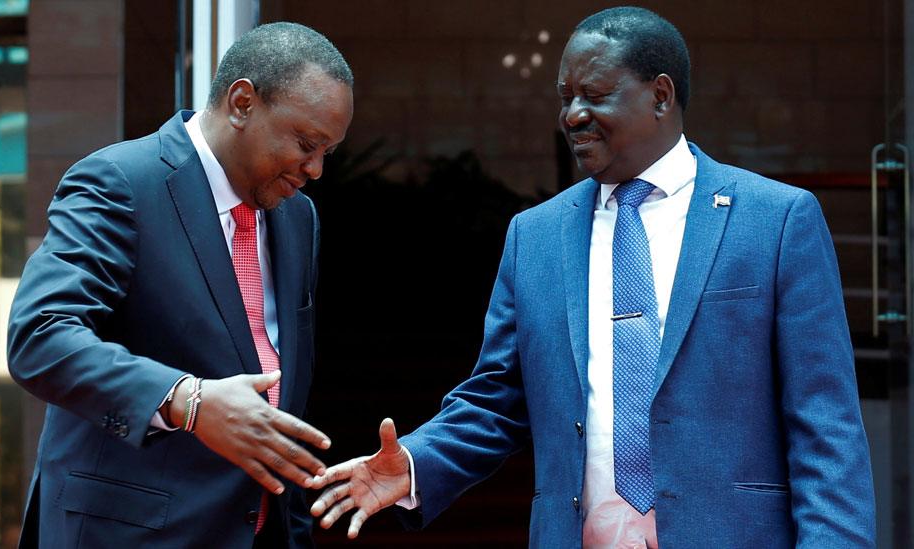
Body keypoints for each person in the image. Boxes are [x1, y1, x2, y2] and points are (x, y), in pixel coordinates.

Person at [309, 7, 875, 547]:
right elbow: (498, 399)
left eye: (596, 95)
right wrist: (413, 464)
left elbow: (826, 426)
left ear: (660, 95)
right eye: (565, 97)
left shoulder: (776, 220)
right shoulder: (535, 236)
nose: (573, 114)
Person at [7, 22, 353, 548]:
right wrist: (186, 400)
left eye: (328, 150)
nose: (316, 168)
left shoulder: (297, 217)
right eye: (306, 143)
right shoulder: (120, 182)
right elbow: (40, 336)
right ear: (242, 103)